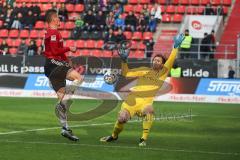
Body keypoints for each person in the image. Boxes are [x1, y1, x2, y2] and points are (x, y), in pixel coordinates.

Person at [100, 34, 185, 146]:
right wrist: (124, 61)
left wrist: (175, 47)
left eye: (158, 61)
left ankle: (143, 139)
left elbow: (171, 59)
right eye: (154, 60)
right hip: (131, 101)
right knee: (121, 119)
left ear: (162, 64)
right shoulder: (144, 70)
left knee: (149, 110)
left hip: (145, 103)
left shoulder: (163, 73)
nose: (155, 61)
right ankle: (114, 136)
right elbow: (126, 73)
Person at [43, 9, 84, 141]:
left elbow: (58, 52)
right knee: (79, 78)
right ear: (53, 19)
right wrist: (69, 48)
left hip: (51, 66)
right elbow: (55, 51)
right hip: (54, 63)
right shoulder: (53, 32)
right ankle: (63, 103)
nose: (60, 20)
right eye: (58, 18)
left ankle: (65, 128)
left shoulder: (52, 33)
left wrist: (67, 61)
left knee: (62, 103)